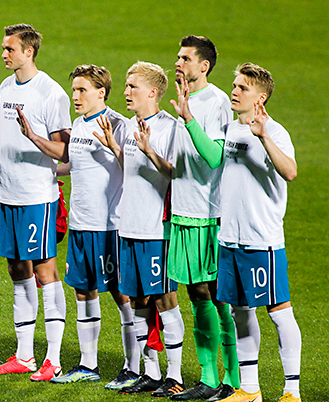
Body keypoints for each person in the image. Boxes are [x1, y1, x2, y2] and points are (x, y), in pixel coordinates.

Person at [20, 64, 139, 388]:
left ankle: (133, 367)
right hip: (81, 224)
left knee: (121, 294)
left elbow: (134, 169)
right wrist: (37, 146)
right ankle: (88, 364)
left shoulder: (119, 124)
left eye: (82, 90)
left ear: (101, 92)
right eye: (74, 90)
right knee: (84, 292)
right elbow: (75, 163)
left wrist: (115, 146)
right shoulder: (78, 124)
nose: (75, 96)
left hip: (108, 226)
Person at [0, 23, 71, 382]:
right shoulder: (6, 87)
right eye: (3, 48)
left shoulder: (51, 93)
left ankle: (53, 359)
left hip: (37, 196)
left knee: (44, 271)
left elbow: (65, 151)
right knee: (17, 269)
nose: (4, 54)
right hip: (7, 194)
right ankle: (23, 354)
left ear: (28, 51)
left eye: (9, 49)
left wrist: (32, 136)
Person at [96, 62, 186, 397]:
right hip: (128, 225)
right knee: (136, 301)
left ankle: (174, 376)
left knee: (165, 299)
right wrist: (116, 148)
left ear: (152, 91)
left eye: (132, 86)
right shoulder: (131, 126)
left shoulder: (171, 129)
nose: (126, 92)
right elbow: (131, 169)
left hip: (155, 230)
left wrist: (150, 150)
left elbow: (178, 175)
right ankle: (150, 372)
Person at [215, 63, 301, 402]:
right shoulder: (231, 128)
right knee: (240, 312)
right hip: (230, 239)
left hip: (261, 239)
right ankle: (249, 389)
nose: (234, 92)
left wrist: (263, 135)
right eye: (234, 85)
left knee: (279, 312)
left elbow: (290, 172)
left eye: (242, 88)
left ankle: (291, 391)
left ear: (260, 97)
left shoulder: (275, 131)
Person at [166, 35, 239, 401]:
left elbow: (214, 158)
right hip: (182, 212)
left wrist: (189, 119)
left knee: (216, 296)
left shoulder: (217, 102)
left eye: (185, 58)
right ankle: (209, 378)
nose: (178, 63)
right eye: (177, 57)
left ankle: (234, 380)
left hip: (208, 214)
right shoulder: (184, 100)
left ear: (203, 66)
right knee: (196, 295)